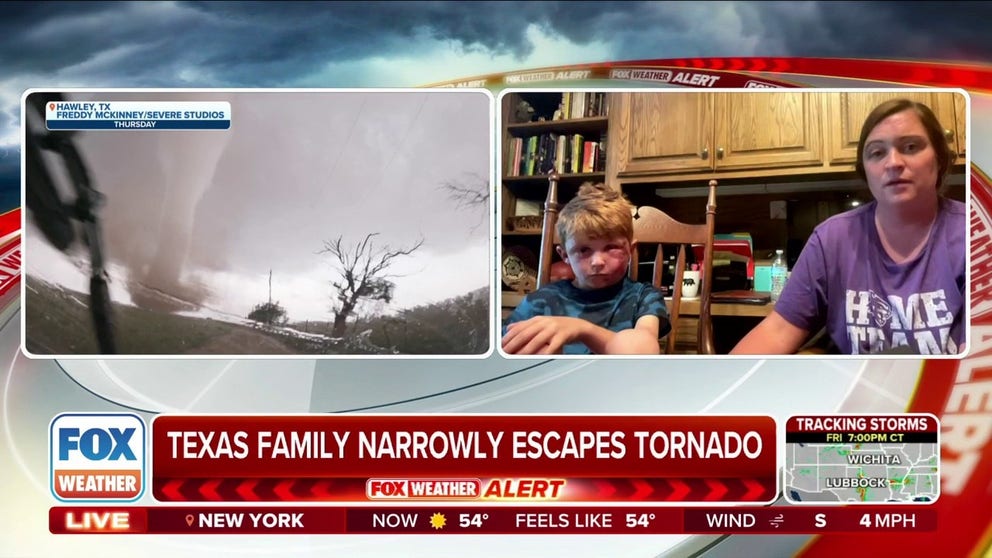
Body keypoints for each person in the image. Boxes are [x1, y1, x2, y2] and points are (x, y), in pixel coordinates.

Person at [732, 98, 965, 355]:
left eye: (910, 147)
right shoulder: (831, 239)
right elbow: (778, 331)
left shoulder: (976, 235)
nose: (893, 162)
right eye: (877, 153)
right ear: (865, 171)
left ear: (940, 158)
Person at [502, 183, 671, 355]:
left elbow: (644, 352)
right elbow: (502, 351)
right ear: (565, 255)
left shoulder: (644, 297)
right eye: (583, 250)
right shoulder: (541, 301)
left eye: (611, 247)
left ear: (630, 250)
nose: (597, 261)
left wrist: (582, 330)